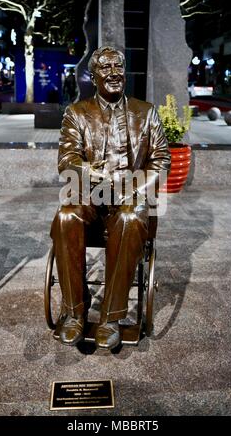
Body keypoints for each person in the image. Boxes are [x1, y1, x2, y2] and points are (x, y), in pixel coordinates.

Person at [50, 46, 170, 350]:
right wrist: (90, 172)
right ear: (93, 76)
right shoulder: (77, 113)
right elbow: (66, 161)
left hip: (131, 195)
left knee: (129, 217)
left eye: (119, 67)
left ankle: (110, 318)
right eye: (106, 68)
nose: (114, 73)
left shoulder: (146, 112)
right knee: (65, 216)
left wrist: (135, 188)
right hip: (91, 194)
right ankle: (74, 311)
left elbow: (161, 160)